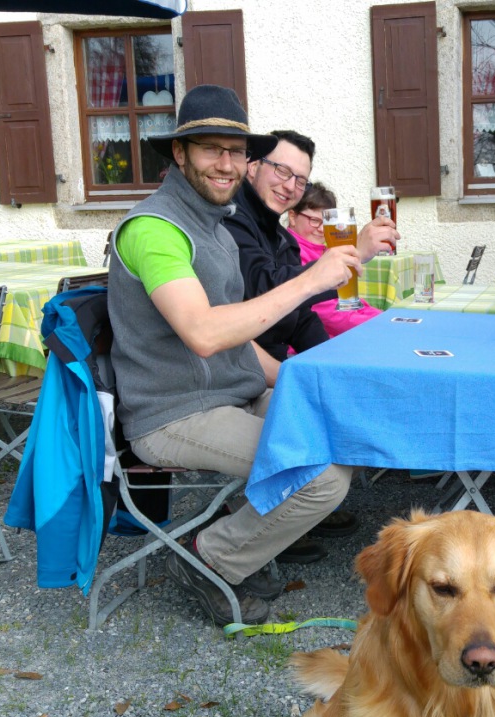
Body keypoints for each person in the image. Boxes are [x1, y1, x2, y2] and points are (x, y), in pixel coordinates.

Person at [106, 85, 355, 626]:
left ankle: (233, 544)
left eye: (236, 150)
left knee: (333, 428)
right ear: (179, 153)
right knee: (322, 475)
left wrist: (293, 378)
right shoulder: (156, 229)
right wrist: (310, 280)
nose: (226, 163)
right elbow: (202, 332)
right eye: (210, 149)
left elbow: (237, 338)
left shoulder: (214, 228)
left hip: (229, 394)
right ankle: (209, 558)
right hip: (174, 413)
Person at [224, 129, 397, 361]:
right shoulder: (230, 218)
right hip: (245, 375)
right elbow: (261, 286)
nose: (290, 186)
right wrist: (354, 252)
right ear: (253, 166)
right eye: (282, 171)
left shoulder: (282, 237)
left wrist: (329, 361)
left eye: (301, 180)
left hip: (282, 366)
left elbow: (301, 317)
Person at [285, 181, 381, 339]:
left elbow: (348, 302)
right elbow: (327, 314)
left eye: (327, 222)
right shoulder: (293, 253)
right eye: (315, 221)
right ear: (293, 217)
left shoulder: (323, 251)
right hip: (313, 347)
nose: (322, 229)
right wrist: (379, 323)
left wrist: (382, 317)